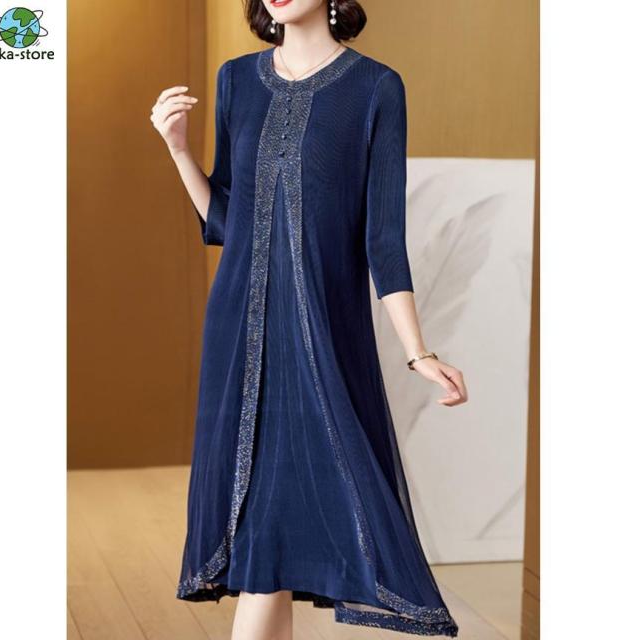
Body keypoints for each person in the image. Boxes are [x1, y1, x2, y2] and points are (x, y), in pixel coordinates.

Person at [150, 0, 467, 637]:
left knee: (273, 542)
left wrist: (419, 352)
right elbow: (228, 221)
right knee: (262, 547)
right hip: (239, 333)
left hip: (320, 335)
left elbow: (383, 239)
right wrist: (179, 149)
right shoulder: (236, 80)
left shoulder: (375, 88)